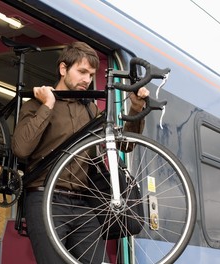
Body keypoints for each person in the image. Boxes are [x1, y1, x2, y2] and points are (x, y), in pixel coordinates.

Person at [11, 42, 149, 263]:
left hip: (82, 204)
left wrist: (135, 109)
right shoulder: (35, 105)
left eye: (91, 74)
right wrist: (47, 105)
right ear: (63, 69)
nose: (87, 79)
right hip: (45, 198)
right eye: (82, 71)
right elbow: (21, 149)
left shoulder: (91, 110)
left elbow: (124, 145)